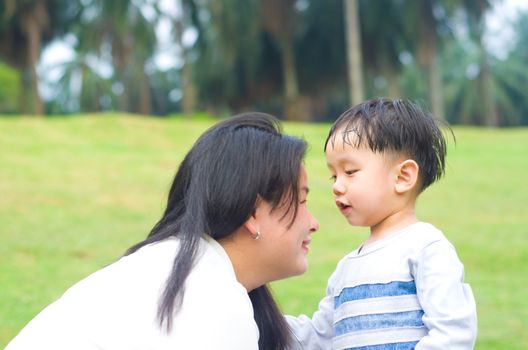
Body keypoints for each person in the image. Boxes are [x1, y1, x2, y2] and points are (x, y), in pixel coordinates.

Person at [6, 113, 319, 350]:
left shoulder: (181, 271)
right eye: (302, 200)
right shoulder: (210, 301)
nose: (313, 222)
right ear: (253, 212)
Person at [287, 98, 477, 349]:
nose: (336, 186)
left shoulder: (426, 248)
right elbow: (320, 337)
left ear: (403, 177)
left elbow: (453, 333)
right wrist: (257, 315)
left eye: (350, 172)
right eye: (334, 175)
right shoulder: (347, 268)